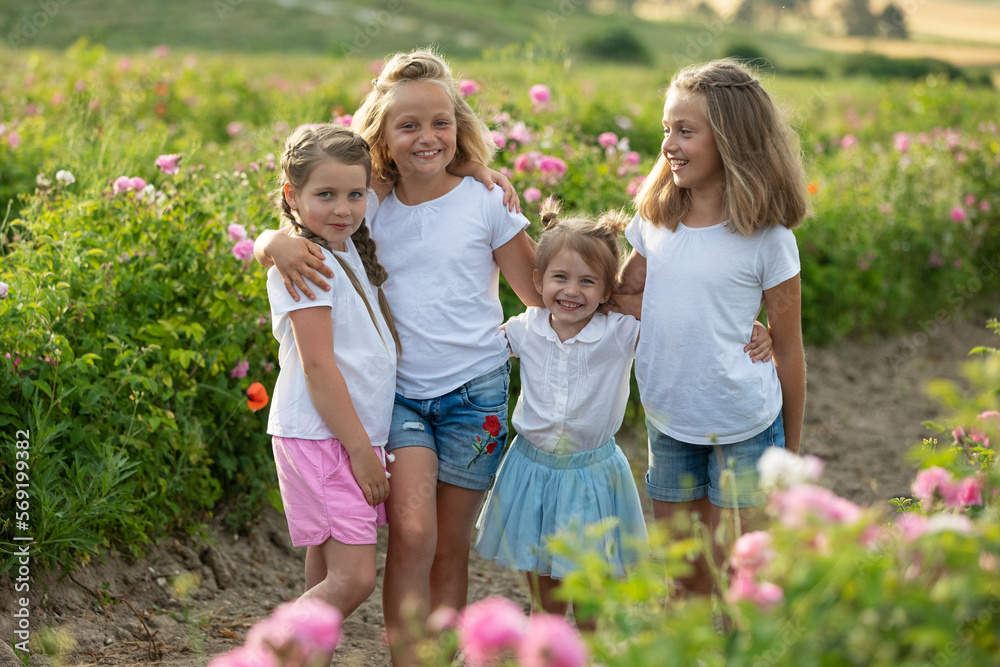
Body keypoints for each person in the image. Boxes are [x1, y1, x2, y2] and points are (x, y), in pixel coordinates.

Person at [255, 50, 540, 666]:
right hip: (402, 398)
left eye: (441, 122)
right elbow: (303, 218)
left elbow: (543, 294)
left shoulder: (486, 201)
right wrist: (269, 240)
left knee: (449, 546)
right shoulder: (368, 201)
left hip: (477, 394)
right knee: (413, 533)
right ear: (381, 132)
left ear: (459, 126)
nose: (426, 137)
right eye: (408, 125)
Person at [616, 58, 808, 596]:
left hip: (745, 423)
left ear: (730, 139)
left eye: (685, 131)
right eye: (666, 130)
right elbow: (629, 296)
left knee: (745, 573)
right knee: (683, 574)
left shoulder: (768, 239)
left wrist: (789, 451)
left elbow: (789, 350)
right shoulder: (654, 221)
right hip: (670, 418)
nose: (669, 145)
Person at [473, 203, 648, 623]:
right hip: (532, 471)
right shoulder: (524, 328)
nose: (572, 291)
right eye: (560, 278)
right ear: (538, 280)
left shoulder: (622, 333)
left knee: (590, 597)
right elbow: (472, 351)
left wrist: (750, 327)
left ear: (608, 291)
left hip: (591, 473)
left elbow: (684, 323)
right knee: (545, 599)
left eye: (588, 282)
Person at [264, 123, 399, 624]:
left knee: (325, 570)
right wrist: (363, 452)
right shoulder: (307, 262)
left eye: (354, 194)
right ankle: (267, 654)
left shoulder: (340, 245)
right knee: (353, 578)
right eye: (325, 195)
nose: (343, 208)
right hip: (327, 437)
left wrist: (476, 166)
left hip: (336, 435)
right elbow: (319, 367)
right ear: (292, 197)